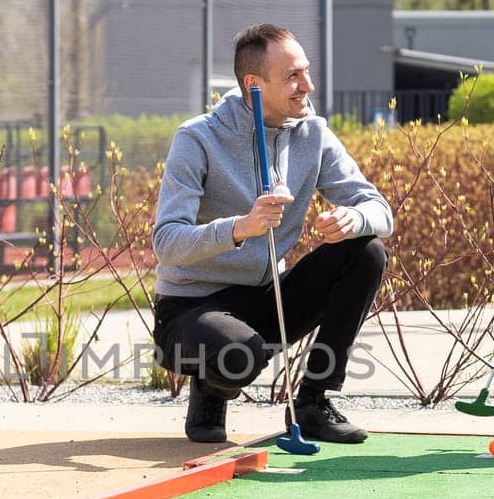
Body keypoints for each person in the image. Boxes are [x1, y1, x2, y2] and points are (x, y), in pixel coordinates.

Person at [152, 23, 392, 445]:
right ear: (253, 84)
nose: (308, 85)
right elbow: (167, 242)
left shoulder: (313, 133)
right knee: (238, 355)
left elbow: (379, 210)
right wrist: (241, 228)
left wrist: (355, 219)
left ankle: (314, 403)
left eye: (306, 71)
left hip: (267, 298)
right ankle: (212, 387)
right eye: (293, 77)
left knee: (365, 251)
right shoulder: (197, 138)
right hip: (191, 309)